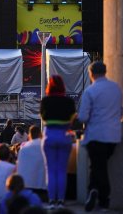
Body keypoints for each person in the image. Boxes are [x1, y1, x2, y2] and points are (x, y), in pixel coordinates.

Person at [78, 61, 123, 212]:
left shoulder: (90, 91)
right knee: (100, 165)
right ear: (105, 72)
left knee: (98, 166)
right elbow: (121, 111)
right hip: (114, 136)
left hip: (96, 134)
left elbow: (83, 117)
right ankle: (95, 190)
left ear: (91, 74)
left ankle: (102, 196)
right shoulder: (116, 88)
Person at [40, 74, 76, 209]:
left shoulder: (45, 101)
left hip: (49, 136)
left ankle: (51, 201)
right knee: (62, 170)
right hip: (64, 136)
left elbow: (43, 119)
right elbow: (72, 120)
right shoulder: (69, 102)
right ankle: (61, 200)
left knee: (50, 170)